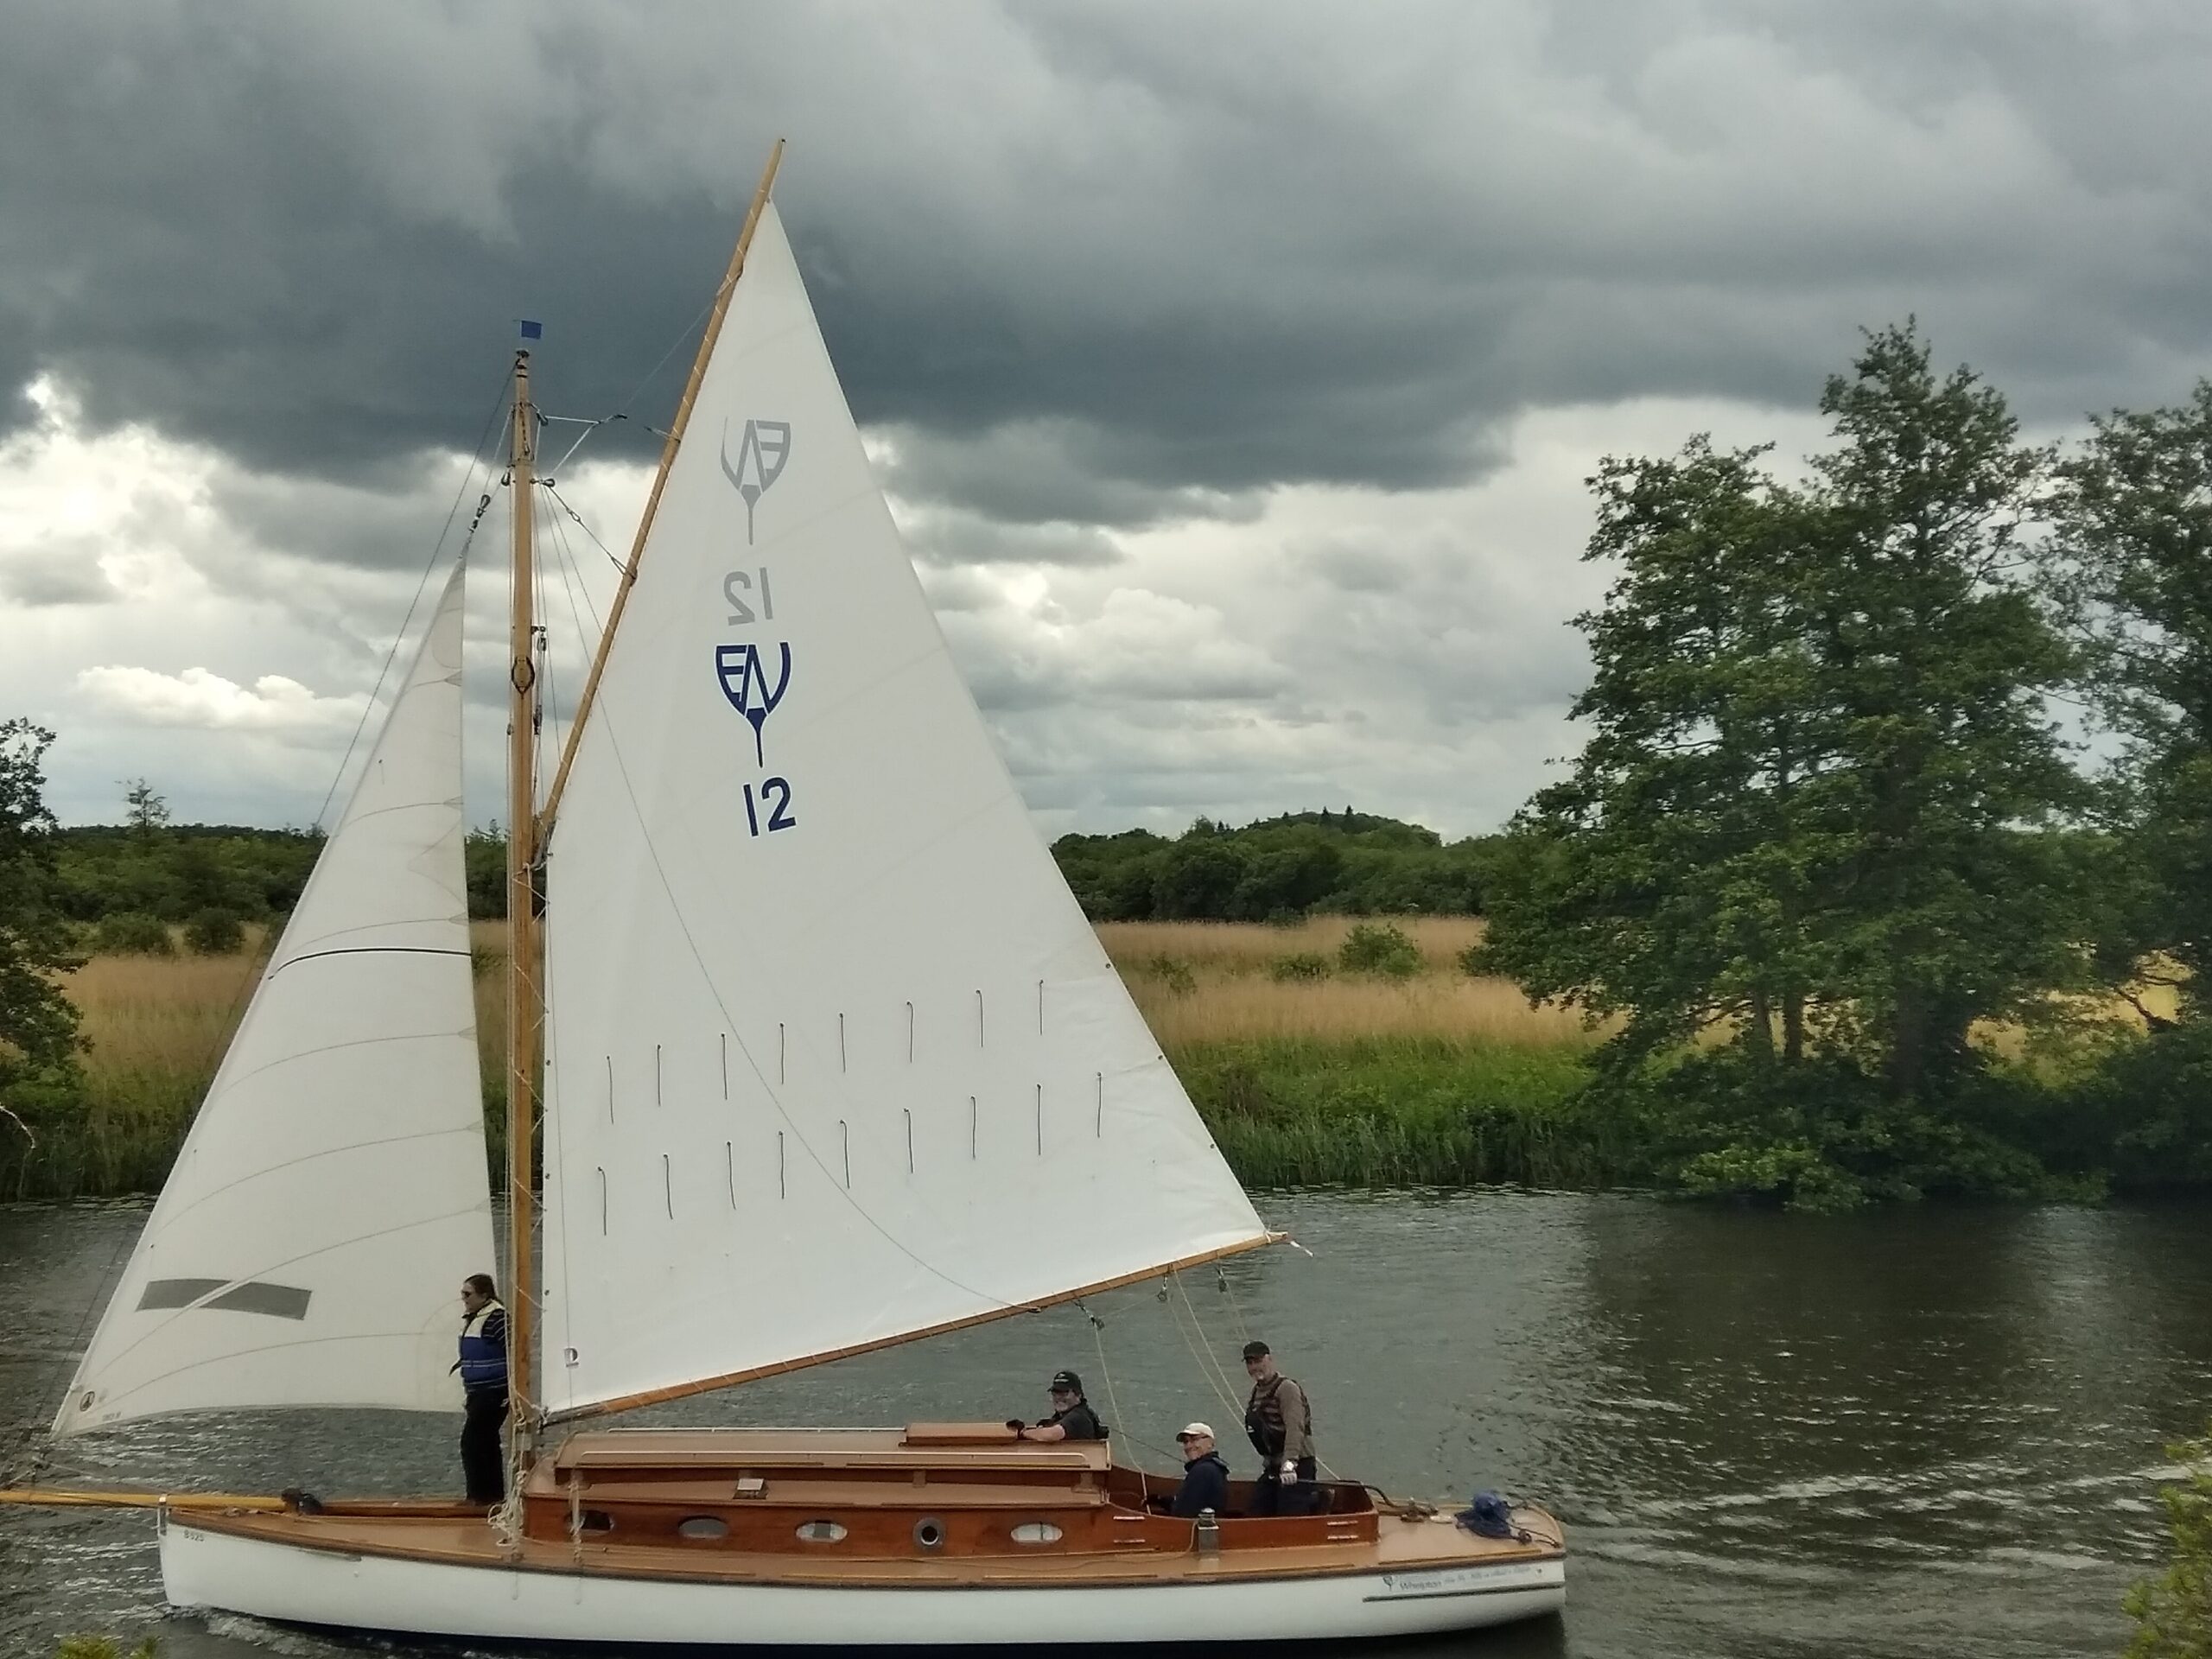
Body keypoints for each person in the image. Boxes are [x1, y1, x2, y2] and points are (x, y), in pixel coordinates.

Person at [1242, 1338, 1319, 1516]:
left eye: (1258, 1361)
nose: (1254, 1367)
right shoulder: (1257, 1391)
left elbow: (1295, 1428)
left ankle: (1316, 1500)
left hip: (1297, 1465)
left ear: (1269, 1359)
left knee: (1290, 1516)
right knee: (1255, 1512)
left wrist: (1290, 1464)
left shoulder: (1286, 1389)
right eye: (1250, 1363)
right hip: (1273, 1467)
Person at [454, 1272, 508, 1506]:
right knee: (485, 1442)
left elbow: (514, 1348)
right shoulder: (476, 1317)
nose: (464, 1299)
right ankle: (491, 1497)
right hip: (479, 1393)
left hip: (494, 1392)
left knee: (472, 1442)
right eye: (462, 1294)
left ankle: (479, 1497)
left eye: (468, 1294)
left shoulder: (497, 1319)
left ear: (484, 1295)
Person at [1005, 1369, 1107, 1442]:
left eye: (1064, 1393)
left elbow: (1052, 1435)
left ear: (1078, 1395)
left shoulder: (1079, 1416)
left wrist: (1022, 1433)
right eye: (1055, 1393)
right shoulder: (1063, 1416)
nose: (1058, 1398)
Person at [1170, 1422, 1230, 1518]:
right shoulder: (1214, 1467)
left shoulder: (1204, 1471)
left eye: (1194, 1439)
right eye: (1186, 1442)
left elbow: (1185, 1512)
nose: (1189, 1446)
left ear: (1210, 1443)